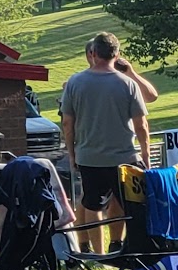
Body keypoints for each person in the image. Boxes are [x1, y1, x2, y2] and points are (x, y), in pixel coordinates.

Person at [60, 31, 154, 255]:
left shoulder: (74, 82)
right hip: (125, 157)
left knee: (92, 202)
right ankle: (117, 245)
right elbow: (142, 125)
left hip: (89, 156)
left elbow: (67, 123)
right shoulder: (127, 84)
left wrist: (72, 154)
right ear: (117, 54)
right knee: (125, 203)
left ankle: (98, 253)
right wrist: (146, 156)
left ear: (93, 53)